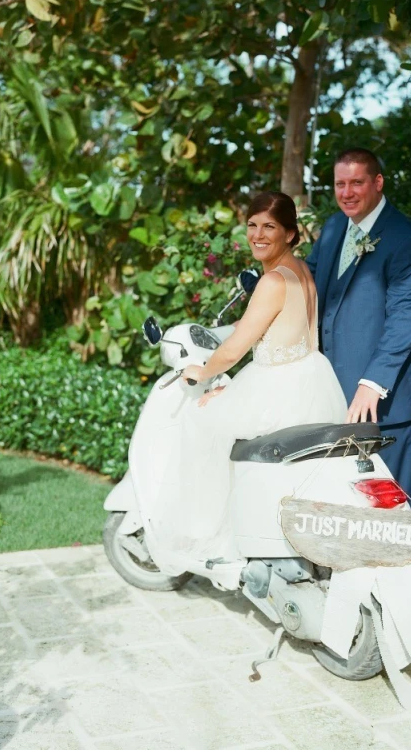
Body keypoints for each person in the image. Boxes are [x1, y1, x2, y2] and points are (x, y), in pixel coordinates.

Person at [150, 191, 347, 574]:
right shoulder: (301, 271)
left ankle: (208, 532)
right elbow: (270, 332)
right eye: (252, 225)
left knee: (197, 421)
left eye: (269, 226)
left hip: (277, 388)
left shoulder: (272, 281)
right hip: (310, 380)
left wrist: (201, 373)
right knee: (221, 414)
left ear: (289, 233)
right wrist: (235, 387)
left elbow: (233, 351)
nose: (258, 234)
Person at [307, 148, 411, 507]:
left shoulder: (407, 240)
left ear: (377, 183)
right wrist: (269, 283)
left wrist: (373, 384)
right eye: (340, 184)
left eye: (356, 183)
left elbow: (405, 319)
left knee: (395, 514)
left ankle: (404, 567)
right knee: (347, 510)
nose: (346, 193)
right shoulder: (333, 228)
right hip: (336, 395)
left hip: (389, 402)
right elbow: (310, 283)